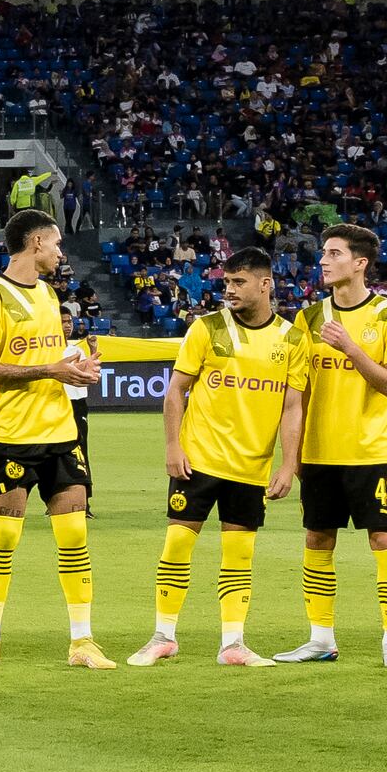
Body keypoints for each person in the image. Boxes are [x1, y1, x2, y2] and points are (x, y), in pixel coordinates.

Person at [135, 237, 302, 667]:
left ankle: (233, 644)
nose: (228, 288)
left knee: (239, 555)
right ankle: (162, 636)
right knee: (176, 543)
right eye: (226, 281)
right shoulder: (206, 328)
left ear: (265, 285)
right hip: (199, 460)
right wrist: (173, 446)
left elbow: (292, 405)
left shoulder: (293, 339)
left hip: (250, 467)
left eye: (238, 282)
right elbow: (176, 392)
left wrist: (289, 463)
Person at [0, 208, 109, 668]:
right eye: (57, 243)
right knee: (4, 537)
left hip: (61, 434)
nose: (61, 252)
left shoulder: (47, 294)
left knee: (74, 537)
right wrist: (51, 369)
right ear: (36, 243)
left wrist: (75, 370)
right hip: (12, 437)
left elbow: (50, 361)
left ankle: (82, 642)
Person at [272, 226, 387, 669]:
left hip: (373, 453)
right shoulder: (308, 319)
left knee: (384, 538)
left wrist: (351, 347)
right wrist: (291, 458)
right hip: (319, 456)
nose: (323, 260)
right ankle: (321, 639)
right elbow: (295, 395)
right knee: (317, 539)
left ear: (359, 263)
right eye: (322, 253)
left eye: (333, 253)